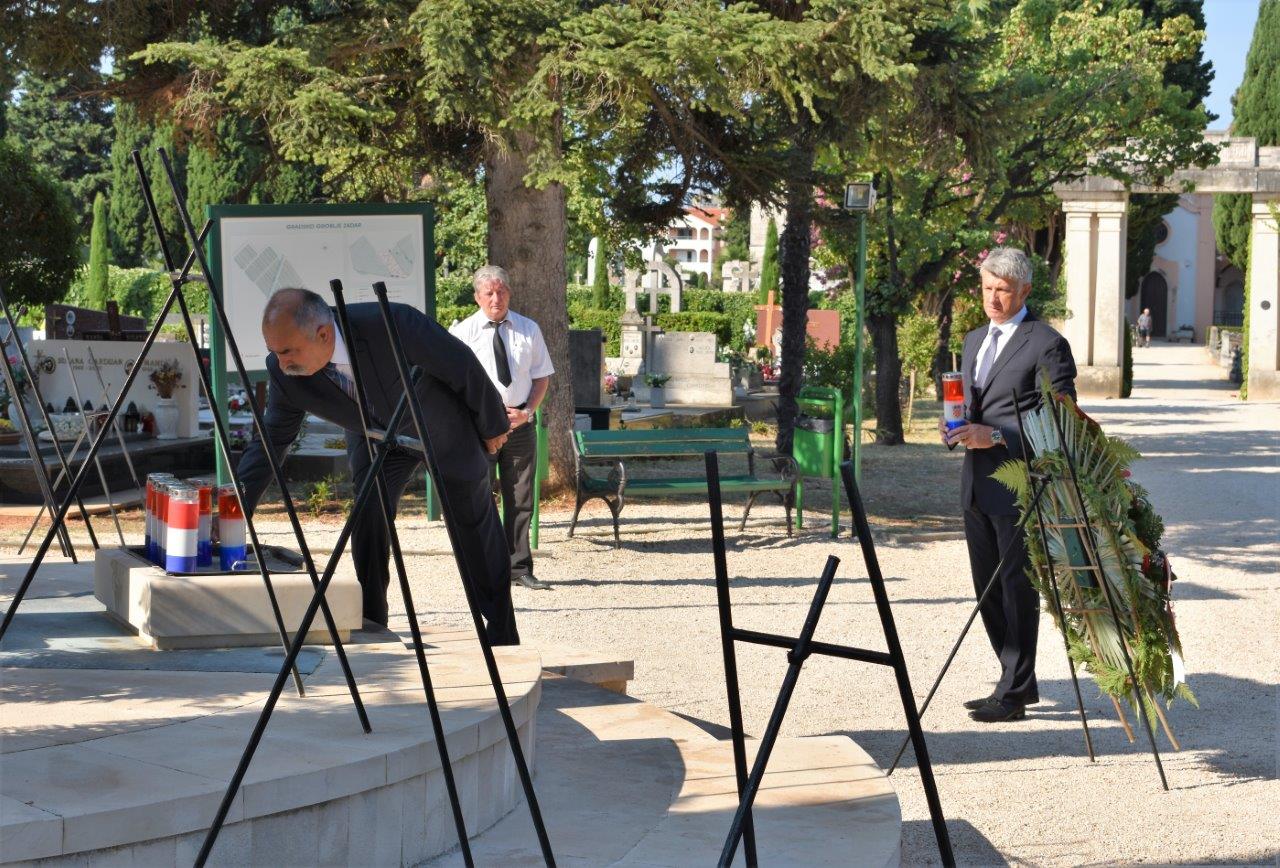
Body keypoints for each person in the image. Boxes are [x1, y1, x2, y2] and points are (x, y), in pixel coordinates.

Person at [236, 287, 521, 645]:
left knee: (473, 525)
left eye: (287, 351)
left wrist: (493, 425)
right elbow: (271, 441)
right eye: (274, 352)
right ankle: (372, 623)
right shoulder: (284, 374)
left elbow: (460, 364)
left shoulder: (391, 322)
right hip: (376, 440)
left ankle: (501, 634)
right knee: (367, 515)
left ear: (323, 334)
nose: (281, 363)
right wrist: (235, 508)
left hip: (442, 430)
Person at [941, 247, 1077, 723]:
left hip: (1021, 484)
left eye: (1002, 289)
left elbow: (1061, 423)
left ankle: (1014, 693)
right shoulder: (973, 340)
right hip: (975, 483)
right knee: (986, 588)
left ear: (1024, 291)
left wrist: (997, 436)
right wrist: (955, 427)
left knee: (1016, 587)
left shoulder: (1047, 344)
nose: (992, 298)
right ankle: (1012, 679)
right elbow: (970, 406)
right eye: (986, 288)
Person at [450, 266, 555, 591]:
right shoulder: (463, 333)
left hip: (519, 425)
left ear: (509, 293)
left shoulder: (529, 329)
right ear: (477, 297)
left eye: (501, 291)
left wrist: (527, 412)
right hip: (480, 429)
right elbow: (453, 382)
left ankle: (518, 568)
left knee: (520, 497)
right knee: (479, 498)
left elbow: (541, 377)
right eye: (489, 293)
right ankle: (483, 568)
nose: (496, 299)